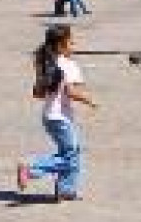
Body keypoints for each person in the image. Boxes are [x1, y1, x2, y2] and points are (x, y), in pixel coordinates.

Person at [18, 24, 97, 202]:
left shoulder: (48, 62)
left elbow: (37, 93)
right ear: (61, 45)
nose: (74, 45)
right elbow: (70, 92)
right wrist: (89, 100)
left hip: (49, 116)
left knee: (71, 152)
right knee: (70, 156)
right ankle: (31, 168)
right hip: (60, 118)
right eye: (71, 42)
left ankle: (66, 189)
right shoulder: (68, 65)